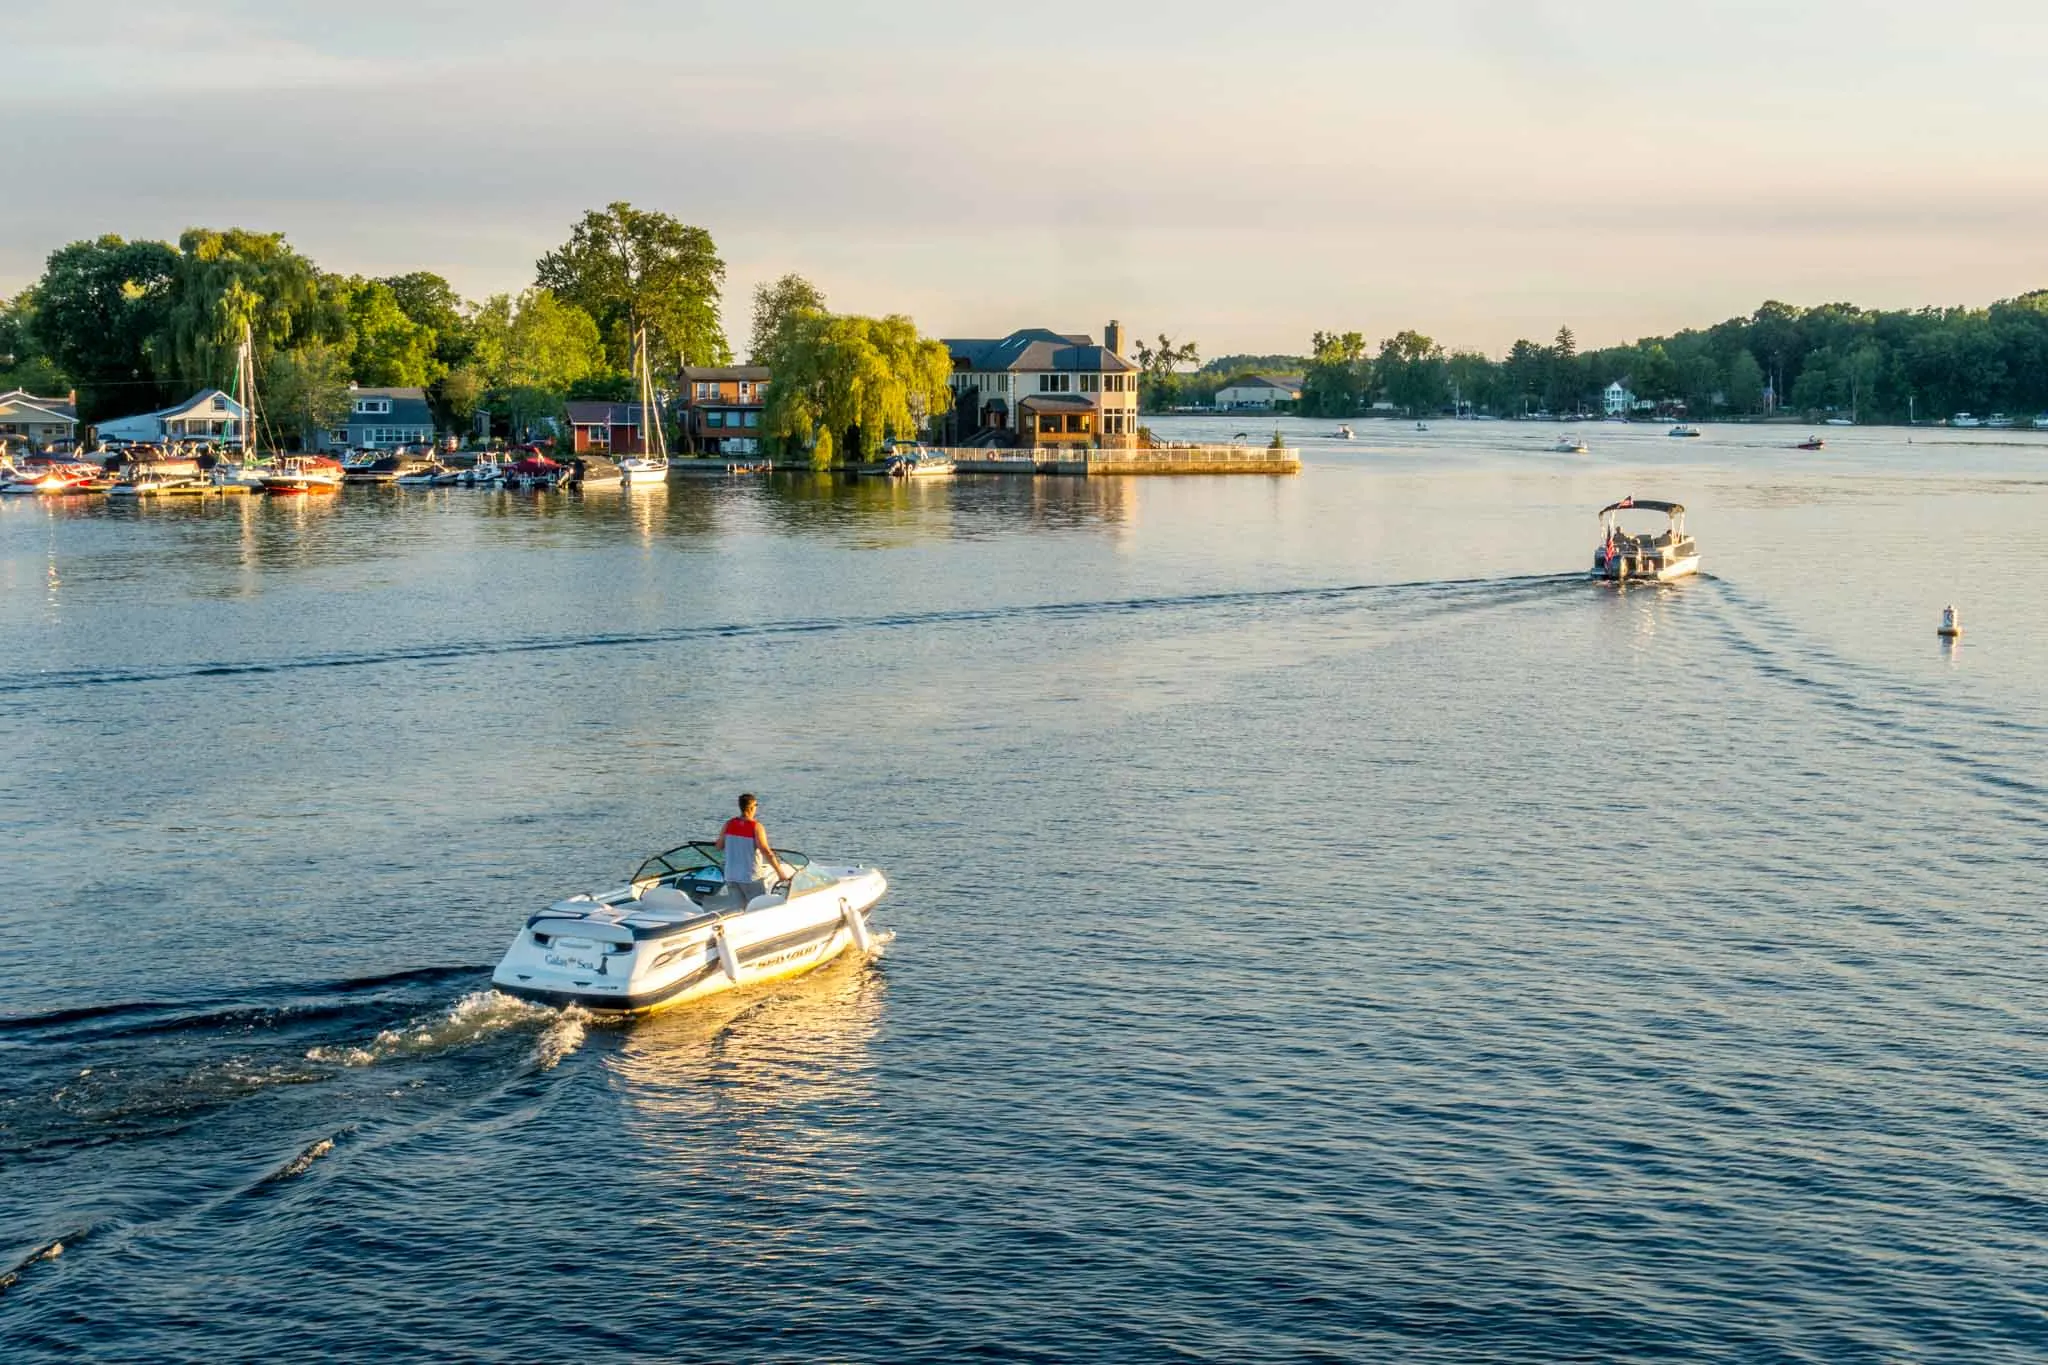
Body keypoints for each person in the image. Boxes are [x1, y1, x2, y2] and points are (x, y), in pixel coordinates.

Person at [719, 793, 791, 905]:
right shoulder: (756, 827)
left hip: (731, 876)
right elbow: (766, 851)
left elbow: (719, 846)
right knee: (758, 907)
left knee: (738, 910)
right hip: (750, 877)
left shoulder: (728, 824)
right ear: (752, 807)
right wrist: (780, 873)